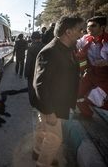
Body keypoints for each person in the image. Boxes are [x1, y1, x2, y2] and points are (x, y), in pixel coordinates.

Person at [32, 15, 84, 167]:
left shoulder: (69, 48)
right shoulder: (50, 51)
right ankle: (42, 163)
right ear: (68, 32)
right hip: (50, 105)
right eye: (80, 30)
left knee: (43, 129)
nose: (82, 33)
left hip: (56, 102)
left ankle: (36, 151)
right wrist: (49, 112)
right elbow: (40, 84)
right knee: (55, 139)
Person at [76, 16, 108, 117]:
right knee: (76, 93)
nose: (89, 28)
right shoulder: (85, 39)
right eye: (88, 26)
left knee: (96, 98)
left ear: (102, 27)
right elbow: (74, 44)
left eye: (93, 26)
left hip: (105, 75)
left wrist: (106, 62)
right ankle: (86, 114)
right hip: (90, 72)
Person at [24, 31, 44, 107]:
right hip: (42, 71)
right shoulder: (45, 46)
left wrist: (26, 73)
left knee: (32, 87)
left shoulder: (31, 48)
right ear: (40, 38)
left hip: (32, 71)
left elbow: (28, 62)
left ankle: (33, 103)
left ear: (33, 39)